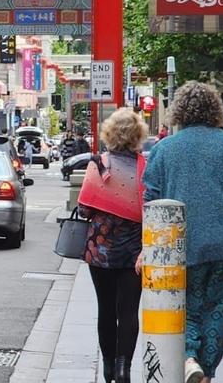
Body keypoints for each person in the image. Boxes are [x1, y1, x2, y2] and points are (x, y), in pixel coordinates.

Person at [140, 82, 223, 383]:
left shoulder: (163, 149)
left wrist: (146, 248)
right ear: (216, 110)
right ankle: (205, 370)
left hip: (182, 246)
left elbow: (151, 202)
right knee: (219, 315)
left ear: (178, 111)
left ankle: (188, 359)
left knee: (187, 311)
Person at [76, 108, 147, 383]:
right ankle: (123, 369)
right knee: (128, 311)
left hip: (100, 250)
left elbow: (83, 209)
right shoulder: (144, 166)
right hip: (135, 252)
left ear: (109, 134)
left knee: (105, 308)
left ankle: (107, 369)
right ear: (137, 136)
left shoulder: (98, 163)